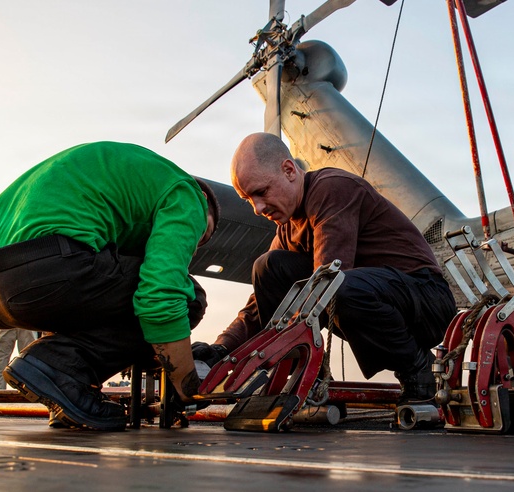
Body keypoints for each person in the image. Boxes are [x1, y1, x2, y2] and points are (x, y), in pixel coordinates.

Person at [0, 141, 218, 430]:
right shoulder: (187, 194)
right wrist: (187, 386)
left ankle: (66, 391)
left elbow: (89, 296)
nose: (193, 249)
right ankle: (60, 366)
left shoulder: (120, 186)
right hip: (40, 270)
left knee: (120, 282)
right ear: (203, 201)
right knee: (188, 296)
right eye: (200, 235)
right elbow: (161, 297)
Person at [193, 132, 456, 404]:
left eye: (261, 192)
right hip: (375, 300)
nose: (257, 208)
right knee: (268, 268)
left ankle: (417, 368)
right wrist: (221, 350)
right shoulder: (287, 228)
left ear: (289, 170)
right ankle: (305, 373)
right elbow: (257, 308)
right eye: (248, 199)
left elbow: (327, 280)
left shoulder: (332, 188)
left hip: (427, 300)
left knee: (335, 285)